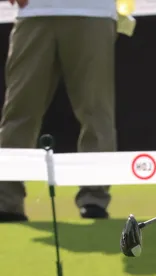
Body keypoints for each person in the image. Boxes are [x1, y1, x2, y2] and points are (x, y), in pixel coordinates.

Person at [0, 0, 120, 222]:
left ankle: (94, 197)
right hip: (34, 13)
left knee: (96, 112)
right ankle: (6, 200)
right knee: (19, 111)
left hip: (93, 12)